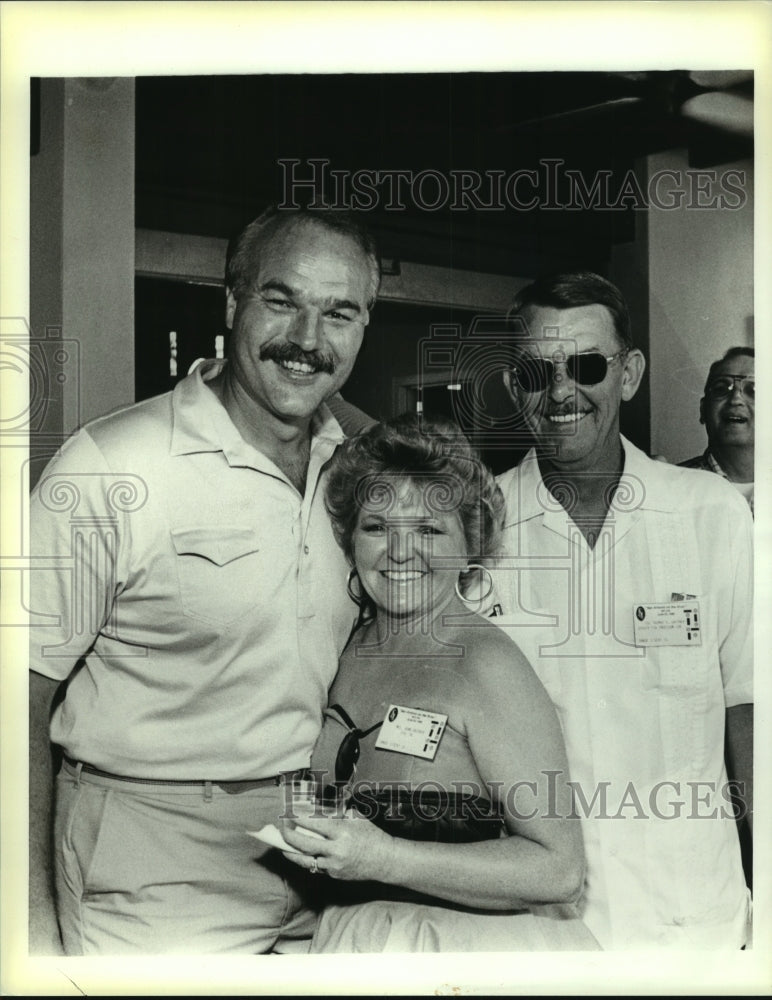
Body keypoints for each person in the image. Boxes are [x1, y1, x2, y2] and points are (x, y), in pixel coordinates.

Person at [28, 204, 380, 954]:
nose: (308, 341)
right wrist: (25, 920)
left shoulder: (359, 467)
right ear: (231, 302)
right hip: (153, 862)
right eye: (281, 302)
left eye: (339, 314)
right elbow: (16, 697)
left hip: (321, 851)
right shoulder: (112, 466)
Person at [490, 271, 753, 950]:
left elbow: (751, 713)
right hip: (539, 928)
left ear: (629, 374)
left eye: (586, 366)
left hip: (692, 921)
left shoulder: (709, 513)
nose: (561, 393)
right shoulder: (476, 528)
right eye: (536, 373)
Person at [277, 413, 600, 953]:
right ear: (349, 540)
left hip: (465, 953)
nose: (401, 552)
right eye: (377, 527)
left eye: (429, 529)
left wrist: (386, 858)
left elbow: (558, 868)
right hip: (351, 940)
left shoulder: (487, 666)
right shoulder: (345, 648)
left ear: (470, 543)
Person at [679, 347, 754, 515]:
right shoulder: (669, 486)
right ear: (703, 409)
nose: (736, 399)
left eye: (753, 390)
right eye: (721, 389)